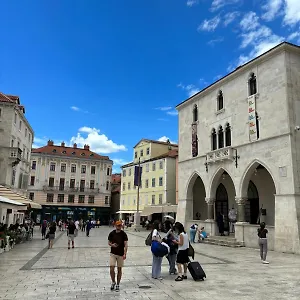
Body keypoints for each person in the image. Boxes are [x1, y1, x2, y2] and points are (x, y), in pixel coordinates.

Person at [108, 220, 128, 292]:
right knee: (111, 268)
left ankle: (118, 284)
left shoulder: (123, 234)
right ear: (115, 225)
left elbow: (126, 245)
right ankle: (113, 282)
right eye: (117, 225)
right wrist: (112, 245)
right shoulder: (112, 233)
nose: (118, 227)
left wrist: (125, 253)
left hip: (120, 254)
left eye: (120, 225)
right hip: (113, 253)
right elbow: (109, 242)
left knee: (119, 270)